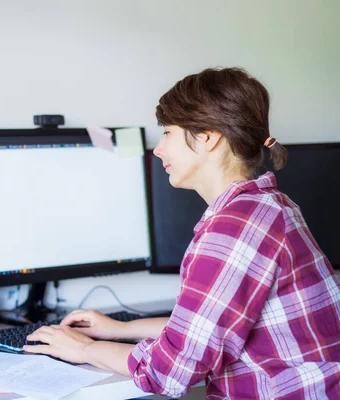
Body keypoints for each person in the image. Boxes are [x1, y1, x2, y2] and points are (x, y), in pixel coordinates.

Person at [23, 67, 340, 399]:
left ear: (207, 137)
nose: (158, 149)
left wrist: (85, 350)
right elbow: (203, 329)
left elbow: (169, 372)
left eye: (168, 133)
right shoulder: (271, 206)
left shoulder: (234, 229)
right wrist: (119, 329)